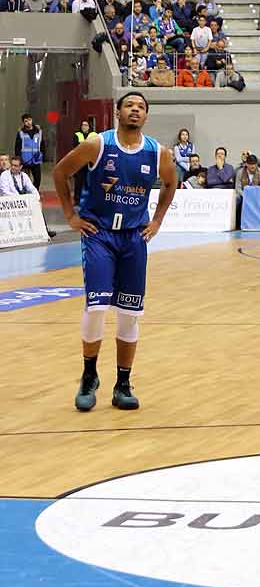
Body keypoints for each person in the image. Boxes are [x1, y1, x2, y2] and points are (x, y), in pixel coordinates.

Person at [52, 91, 178, 412]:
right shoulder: (98, 144)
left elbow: (170, 183)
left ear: (146, 116)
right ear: (117, 112)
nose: (135, 110)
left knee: (129, 315)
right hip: (99, 235)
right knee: (96, 308)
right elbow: (60, 172)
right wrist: (70, 216)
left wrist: (158, 220)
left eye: (141, 107)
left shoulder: (157, 152)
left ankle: (123, 383)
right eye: (129, 106)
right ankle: (89, 375)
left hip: (134, 238)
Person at [14, 112, 43, 190]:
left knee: (37, 179)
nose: (28, 122)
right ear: (23, 123)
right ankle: (26, 194)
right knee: (25, 179)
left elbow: (42, 144)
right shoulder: (21, 133)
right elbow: (17, 147)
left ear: (32, 120)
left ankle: (34, 192)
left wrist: (42, 155)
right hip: (25, 160)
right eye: (26, 121)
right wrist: (18, 159)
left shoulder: (38, 131)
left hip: (36, 160)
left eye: (29, 120)